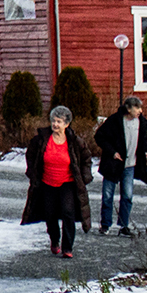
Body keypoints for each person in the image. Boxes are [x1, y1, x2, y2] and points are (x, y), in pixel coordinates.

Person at [24, 105, 89, 257]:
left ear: (67, 124)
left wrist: (85, 177)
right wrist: (33, 174)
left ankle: (67, 248)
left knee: (68, 213)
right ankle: (55, 240)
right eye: (53, 120)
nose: (55, 124)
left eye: (59, 121)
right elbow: (31, 155)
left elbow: (86, 158)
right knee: (50, 214)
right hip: (47, 182)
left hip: (68, 182)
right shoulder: (41, 139)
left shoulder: (74, 141)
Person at [93, 96, 147, 236]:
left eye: (140, 108)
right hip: (113, 164)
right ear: (128, 108)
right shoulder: (115, 120)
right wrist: (112, 152)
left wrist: (146, 151)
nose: (140, 110)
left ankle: (124, 225)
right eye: (137, 107)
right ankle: (105, 224)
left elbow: (144, 139)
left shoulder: (142, 122)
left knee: (127, 195)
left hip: (130, 164)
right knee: (108, 195)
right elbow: (100, 137)